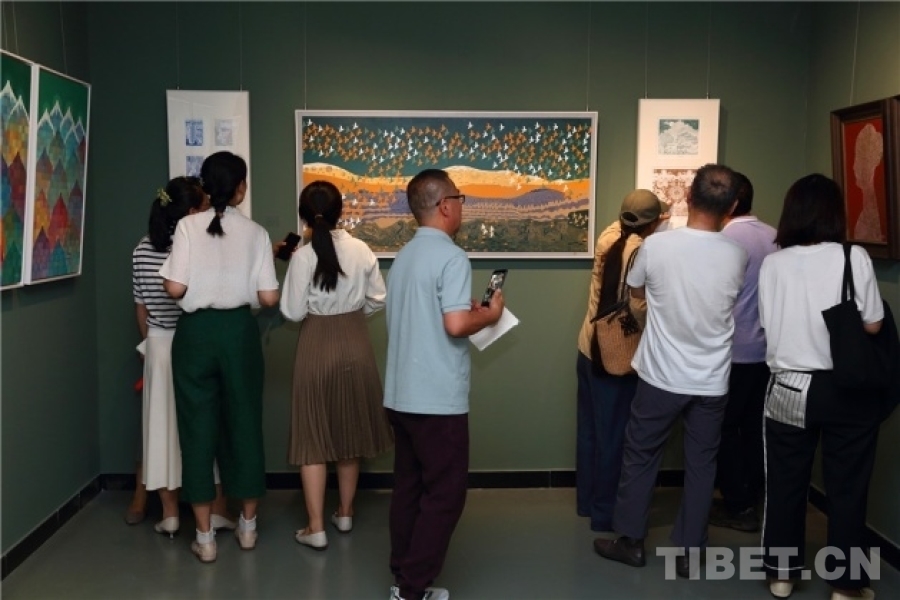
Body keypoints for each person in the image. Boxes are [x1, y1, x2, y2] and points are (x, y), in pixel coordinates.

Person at [593, 164, 747, 578]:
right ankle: (689, 553)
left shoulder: (656, 247)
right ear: (732, 207)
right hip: (712, 379)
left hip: (661, 374)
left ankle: (630, 541)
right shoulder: (738, 254)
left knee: (641, 455)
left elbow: (637, 290)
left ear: (687, 197)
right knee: (702, 464)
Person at [758, 174, 883, 600]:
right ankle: (846, 586)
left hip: (789, 386)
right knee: (848, 487)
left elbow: (767, 323)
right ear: (834, 213)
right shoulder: (853, 257)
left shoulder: (773, 263)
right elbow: (873, 324)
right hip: (846, 387)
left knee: (785, 483)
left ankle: (781, 575)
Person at [383, 169, 504, 600]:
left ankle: (402, 575)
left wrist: (467, 313)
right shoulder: (452, 257)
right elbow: (454, 325)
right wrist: (489, 316)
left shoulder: (403, 257)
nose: (462, 206)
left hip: (400, 395)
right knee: (445, 495)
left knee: (409, 488)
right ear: (446, 205)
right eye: (460, 198)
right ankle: (413, 589)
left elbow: (435, 316)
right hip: (436, 400)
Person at [160, 152, 280, 563]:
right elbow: (269, 298)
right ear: (241, 188)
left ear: (206, 187)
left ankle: (205, 537)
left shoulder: (187, 226)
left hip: (195, 335)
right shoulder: (257, 233)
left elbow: (175, 288)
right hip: (239, 334)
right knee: (245, 424)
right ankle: (248, 527)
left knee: (196, 431)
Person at [281, 180, 393, 550]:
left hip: (316, 344)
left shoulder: (302, 257)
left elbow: (292, 312)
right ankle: (344, 513)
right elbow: (379, 298)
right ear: (340, 211)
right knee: (350, 430)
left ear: (304, 215)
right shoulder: (362, 250)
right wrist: (353, 312)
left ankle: (315, 528)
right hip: (356, 342)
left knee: (313, 436)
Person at [131, 177, 237, 537]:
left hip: (157, 345)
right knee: (204, 425)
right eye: (203, 207)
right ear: (191, 212)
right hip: (193, 341)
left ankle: (170, 513)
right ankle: (215, 509)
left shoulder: (141, 248)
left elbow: (141, 308)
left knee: (160, 431)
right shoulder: (194, 245)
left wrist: (150, 344)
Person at [575, 189, 664, 532]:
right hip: (615, 355)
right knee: (614, 437)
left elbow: (625, 227)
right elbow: (638, 308)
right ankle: (606, 513)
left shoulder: (607, 237)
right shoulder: (640, 251)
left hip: (588, 347)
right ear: (652, 223)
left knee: (590, 432)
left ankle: (587, 502)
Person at [708, 172, 777, 533]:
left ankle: (738, 505)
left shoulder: (724, 240)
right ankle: (755, 497)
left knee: (721, 427)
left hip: (732, 350)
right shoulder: (775, 237)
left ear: (731, 202)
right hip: (767, 351)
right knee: (754, 428)